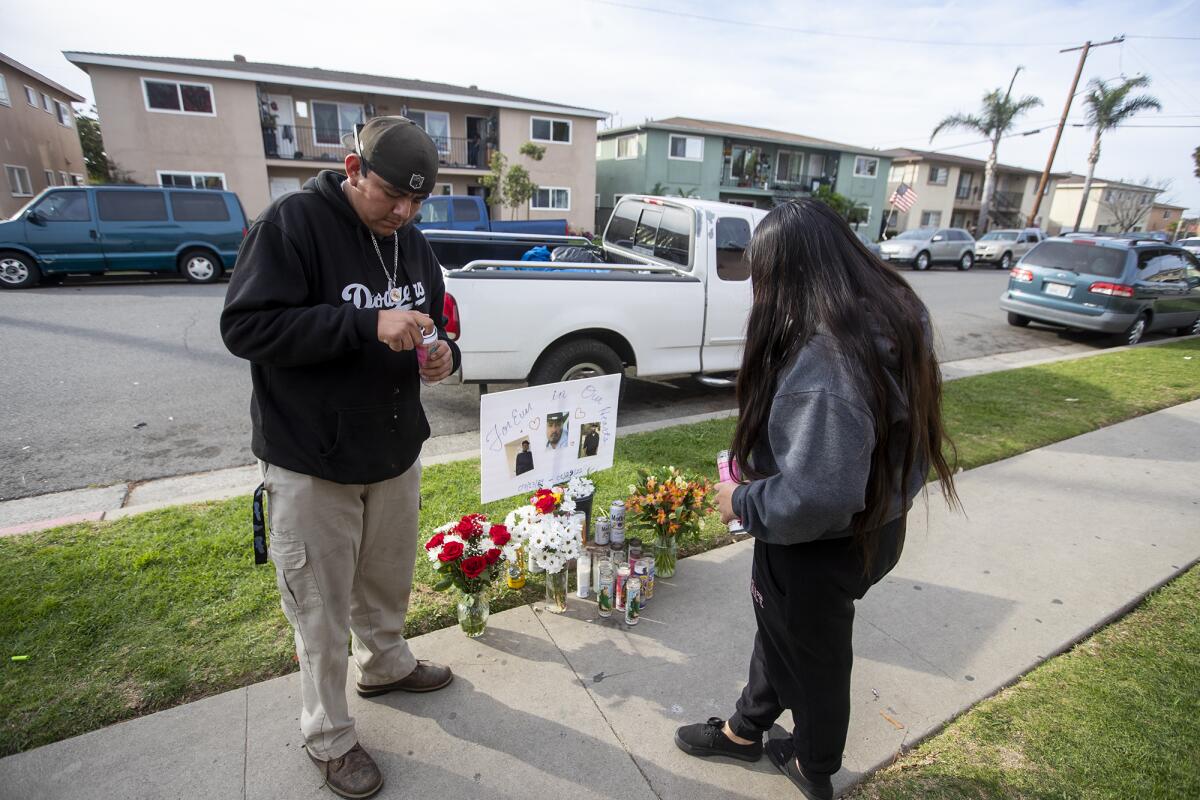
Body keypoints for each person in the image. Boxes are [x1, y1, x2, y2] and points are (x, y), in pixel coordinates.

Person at [673, 200, 958, 800]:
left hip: (816, 545)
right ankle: (746, 730)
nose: (759, 293)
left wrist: (739, 501)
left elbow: (817, 497)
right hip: (875, 528)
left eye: (763, 278)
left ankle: (814, 765)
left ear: (791, 274)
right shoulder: (894, 313)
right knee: (785, 634)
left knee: (817, 660)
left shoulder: (827, 360)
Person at [221, 116, 461, 800]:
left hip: (391, 450)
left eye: (419, 202)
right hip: (310, 459)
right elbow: (245, 326)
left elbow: (433, 320)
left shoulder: (411, 243)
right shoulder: (293, 225)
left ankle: (385, 665)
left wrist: (442, 355)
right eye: (393, 195)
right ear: (354, 171)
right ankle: (328, 736)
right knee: (321, 612)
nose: (406, 213)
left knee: (385, 584)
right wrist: (363, 323)